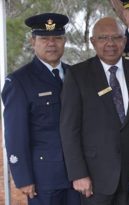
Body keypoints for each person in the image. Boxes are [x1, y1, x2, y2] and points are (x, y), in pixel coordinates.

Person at [60, 17, 129, 205]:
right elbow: (69, 129)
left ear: (125, 41)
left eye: (117, 37)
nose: (110, 43)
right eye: (103, 38)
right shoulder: (78, 75)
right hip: (95, 179)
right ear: (93, 42)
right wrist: (79, 174)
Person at [1, 13, 80, 205]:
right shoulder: (19, 81)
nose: (51, 44)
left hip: (77, 176)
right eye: (44, 39)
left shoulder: (75, 75)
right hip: (43, 179)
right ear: (33, 41)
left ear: (64, 41)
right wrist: (23, 177)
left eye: (57, 38)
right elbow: (15, 135)